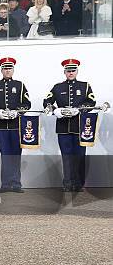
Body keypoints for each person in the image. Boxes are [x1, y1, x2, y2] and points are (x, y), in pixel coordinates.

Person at [43, 59, 95, 192]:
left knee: (80, 155)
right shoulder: (57, 87)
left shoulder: (85, 86)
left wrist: (80, 109)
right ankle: (67, 183)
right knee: (66, 156)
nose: (71, 73)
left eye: (73, 70)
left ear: (77, 71)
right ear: (64, 72)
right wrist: (55, 110)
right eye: (68, 71)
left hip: (80, 128)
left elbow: (92, 101)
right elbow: (47, 102)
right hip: (63, 128)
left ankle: (79, 184)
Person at [0, 58, 31, 192]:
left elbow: (27, 103)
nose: (7, 70)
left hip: (16, 126)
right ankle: (5, 184)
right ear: (1, 70)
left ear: (13, 70)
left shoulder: (20, 85)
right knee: (5, 154)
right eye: (5, 68)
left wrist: (17, 112)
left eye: (10, 68)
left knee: (16, 154)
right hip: (1, 126)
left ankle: (16, 184)